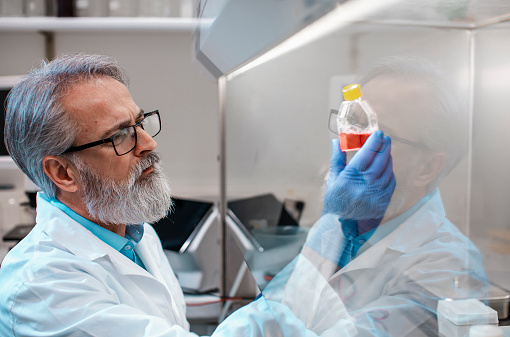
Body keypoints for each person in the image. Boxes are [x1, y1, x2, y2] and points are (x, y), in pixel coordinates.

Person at [0, 53, 396, 337]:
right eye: (120, 135)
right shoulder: (42, 288)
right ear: (62, 172)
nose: (148, 143)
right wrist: (336, 224)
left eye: (140, 123)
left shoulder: (133, 231)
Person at [299, 57, 489, 336]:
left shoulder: (448, 268)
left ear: (427, 168)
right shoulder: (335, 225)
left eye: (378, 135)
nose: (350, 144)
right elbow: (284, 312)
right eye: (353, 121)